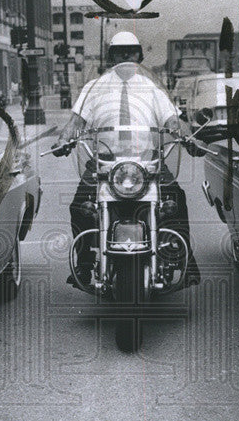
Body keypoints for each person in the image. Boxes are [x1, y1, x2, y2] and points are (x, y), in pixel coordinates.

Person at [51, 31, 204, 288]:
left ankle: (182, 258)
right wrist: (63, 140)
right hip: (104, 162)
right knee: (80, 205)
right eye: (119, 51)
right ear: (111, 56)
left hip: (147, 162)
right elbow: (75, 123)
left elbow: (173, 121)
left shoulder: (152, 88)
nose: (125, 55)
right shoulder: (94, 87)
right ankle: (85, 261)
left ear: (139, 55)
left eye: (130, 51)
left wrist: (191, 139)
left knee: (176, 198)